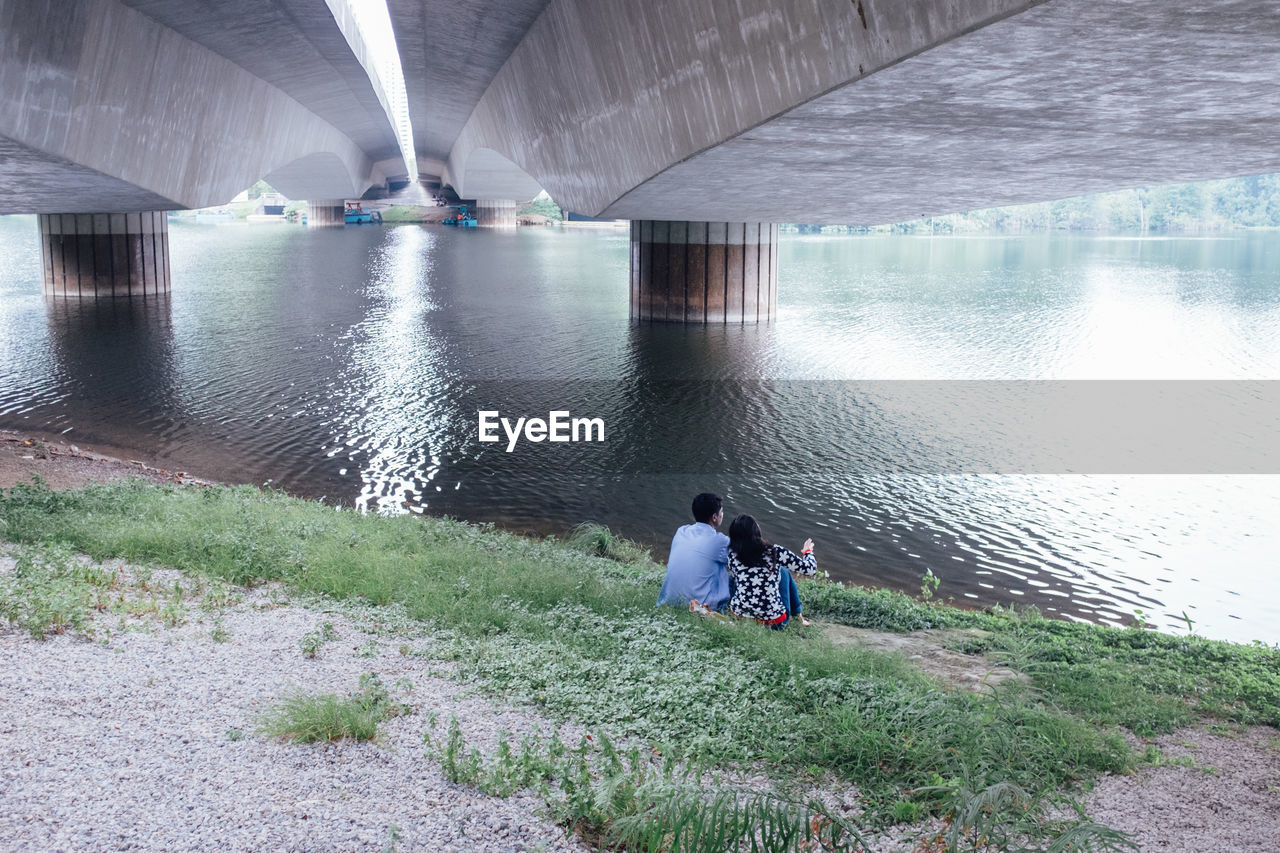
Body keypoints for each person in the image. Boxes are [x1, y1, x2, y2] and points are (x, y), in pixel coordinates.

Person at [725, 514, 816, 628]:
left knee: (735, 577)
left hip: (740, 617)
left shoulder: (732, 556)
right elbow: (810, 569)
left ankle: (732, 607)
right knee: (784, 572)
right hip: (773, 622)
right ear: (756, 531)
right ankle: (798, 615)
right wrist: (808, 552)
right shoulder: (775, 552)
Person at [656, 492, 731, 612]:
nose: (723, 515)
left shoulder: (681, 531)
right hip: (699, 607)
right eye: (721, 512)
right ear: (714, 517)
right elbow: (742, 558)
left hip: (669, 601)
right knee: (732, 576)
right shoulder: (719, 541)